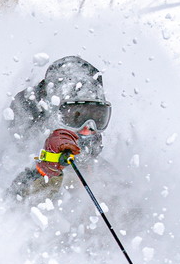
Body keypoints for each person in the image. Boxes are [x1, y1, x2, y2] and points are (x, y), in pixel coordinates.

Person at [7, 56, 112, 203]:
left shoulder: (104, 173)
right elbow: (4, 202)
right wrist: (47, 168)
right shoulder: (13, 156)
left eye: (98, 116)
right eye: (76, 116)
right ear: (52, 114)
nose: (87, 128)